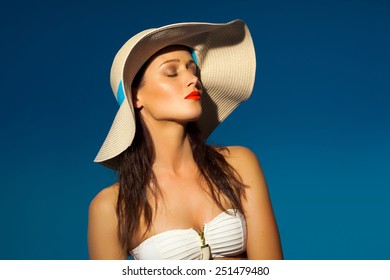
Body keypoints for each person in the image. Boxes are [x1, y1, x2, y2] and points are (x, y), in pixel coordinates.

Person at [88, 19, 283, 260]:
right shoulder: (112, 207)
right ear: (135, 97)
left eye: (193, 69)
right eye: (171, 73)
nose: (193, 80)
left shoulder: (239, 164)